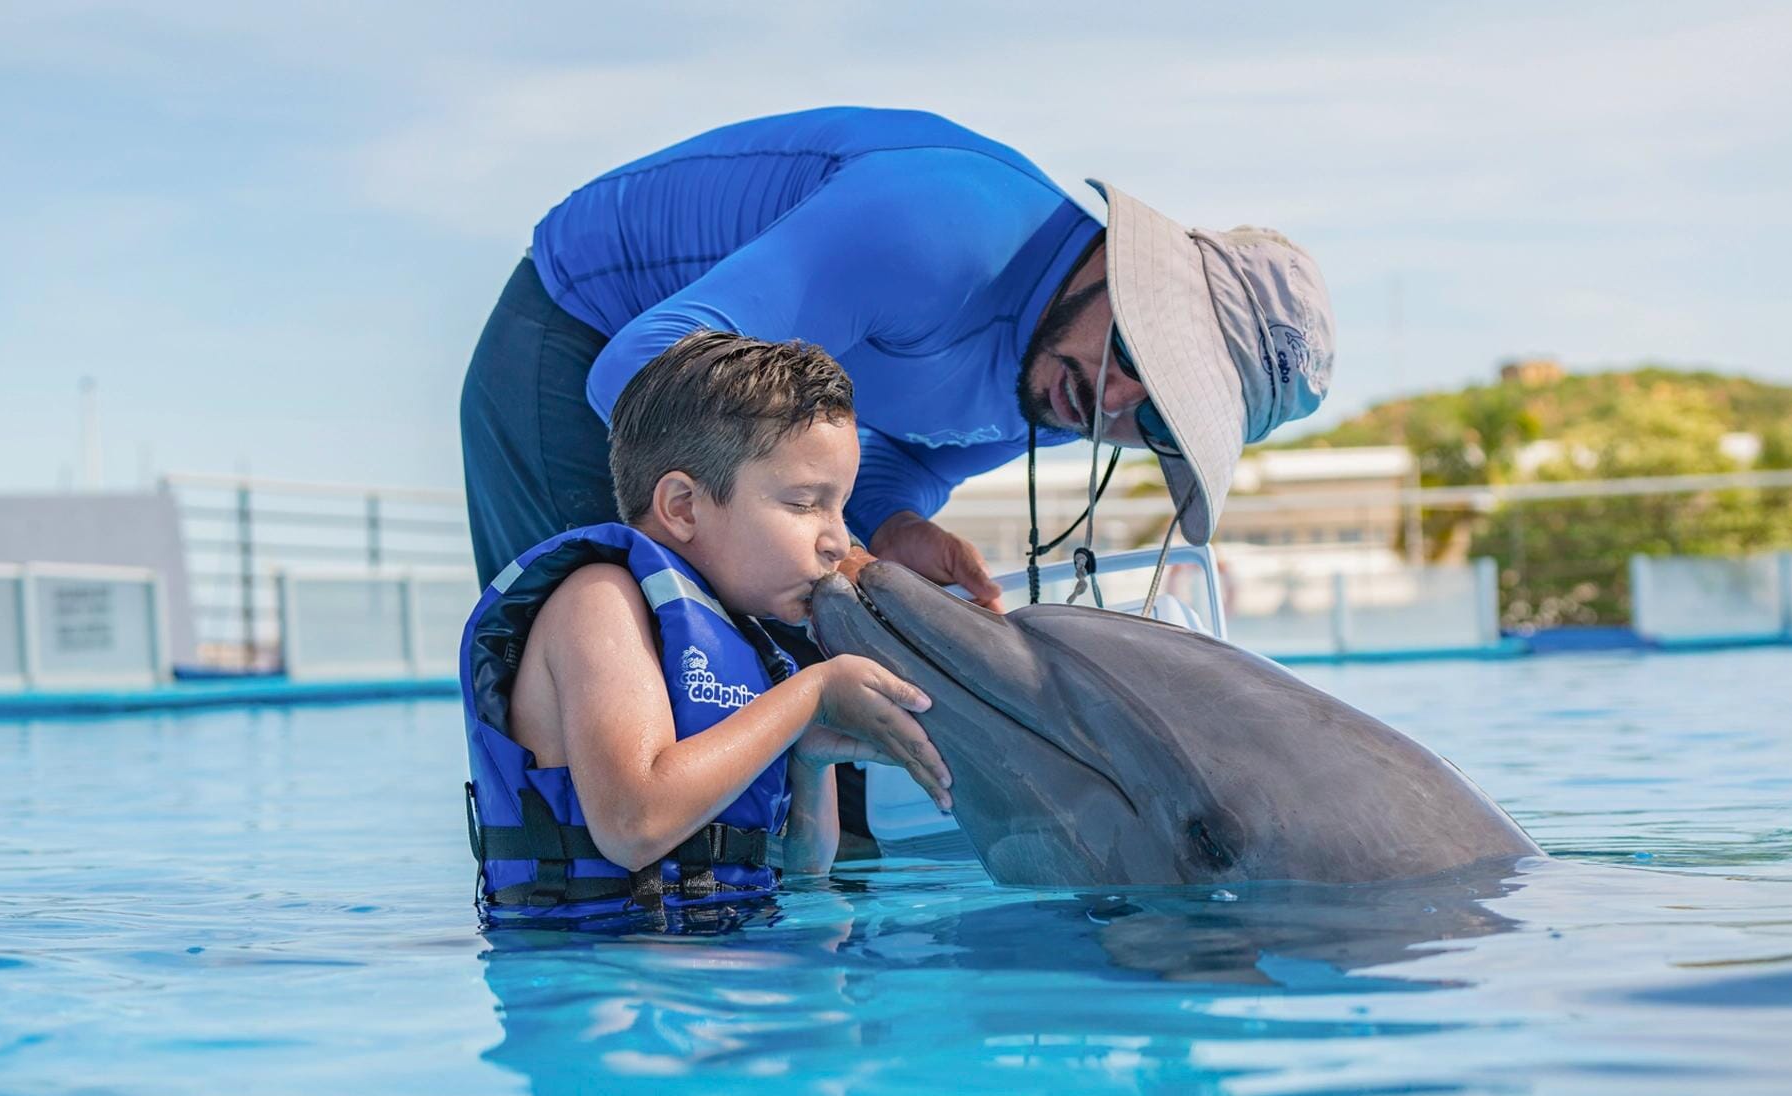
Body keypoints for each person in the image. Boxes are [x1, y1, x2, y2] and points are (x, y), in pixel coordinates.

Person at [461, 105, 1337, 606]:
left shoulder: (1071, 390)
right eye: (1148, 351)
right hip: (576, 329)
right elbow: (639, 368)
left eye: (1160, 414)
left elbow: (897, 470)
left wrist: (895, 529)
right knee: (601, 660)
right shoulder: (940, 227)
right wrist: (831, 548)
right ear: (1126, 270)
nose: (1120, 401)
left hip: (694, 409)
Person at [459, 331, 953, 923]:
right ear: (684, 507)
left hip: (711, 963)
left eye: (840, 506)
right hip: (596, 975)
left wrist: (808, 757)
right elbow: (634, 824)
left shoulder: (745, 641)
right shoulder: (600, 602)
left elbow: (800, 870)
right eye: (803, 503)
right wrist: (811, 695)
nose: (838, 540)